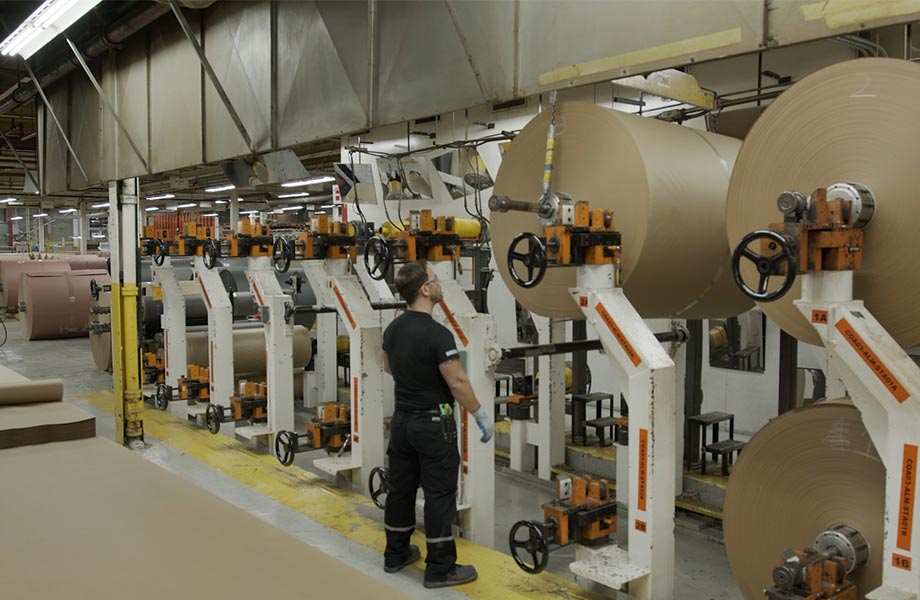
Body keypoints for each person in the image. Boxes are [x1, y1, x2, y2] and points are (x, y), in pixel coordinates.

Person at [381, 260, 493, 588]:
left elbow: (388, 366)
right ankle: (440, 568)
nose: (439, 282)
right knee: (439, 494)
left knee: (400, 490)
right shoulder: (438, 333)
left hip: (401, 422)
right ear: (424, 289)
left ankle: (395, 553)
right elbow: (457, 381)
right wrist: (480, 414)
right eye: (435, 278)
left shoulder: (393, 328)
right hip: (433, 425)